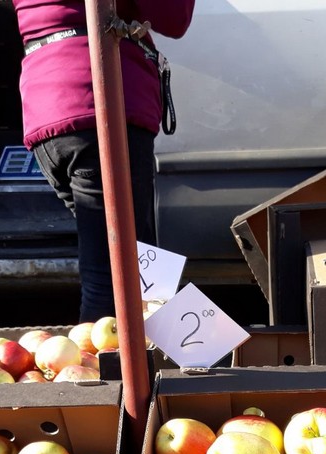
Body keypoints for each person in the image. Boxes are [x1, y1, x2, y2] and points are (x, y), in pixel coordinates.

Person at [13, 0, 195, 324]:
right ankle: (107, 370)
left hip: (48, 108)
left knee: (132, 259)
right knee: (113, 276)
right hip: (101, 101)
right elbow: (173, 16)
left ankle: (198, 359)